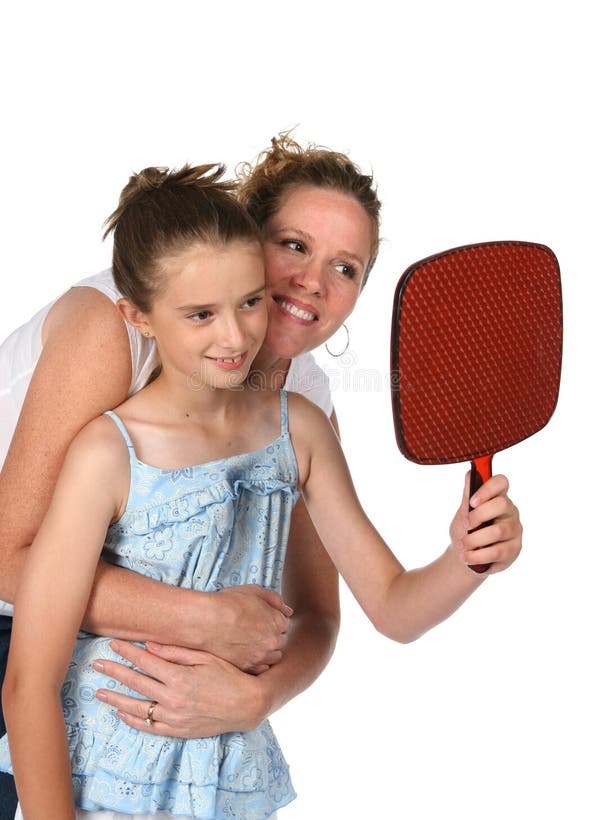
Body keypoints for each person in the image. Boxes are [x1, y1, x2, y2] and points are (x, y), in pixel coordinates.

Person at [0, 135, 522, 817]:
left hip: (189, 735)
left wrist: (467, 558)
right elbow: (11, 566)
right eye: (295, 246)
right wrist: (210, 621)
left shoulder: (299, 414)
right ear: (247, 236)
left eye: (347, 267)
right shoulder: (121, 332)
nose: (312, 281)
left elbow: (348, 609)